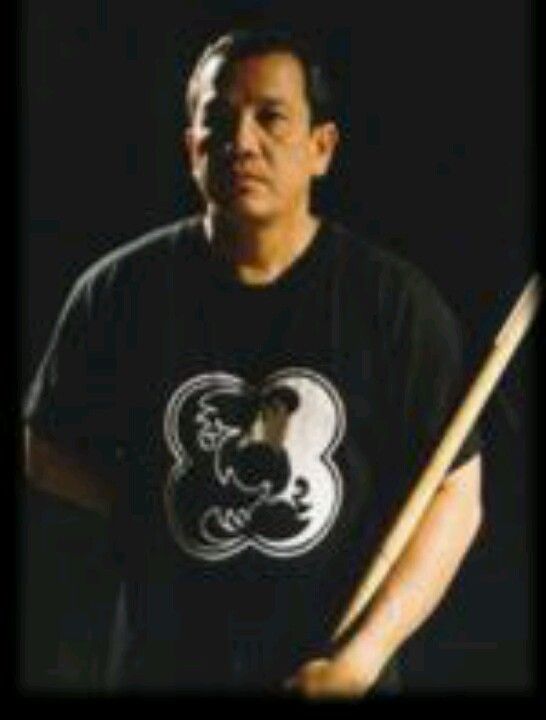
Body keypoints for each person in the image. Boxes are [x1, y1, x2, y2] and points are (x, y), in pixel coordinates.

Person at [23, 28, 483, 696]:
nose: (242, 141)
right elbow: (44, 451)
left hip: (330, 674)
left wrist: (361, 660)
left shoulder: (394, 305)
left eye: (271, 117)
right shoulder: (118, 293)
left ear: (321, 148)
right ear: (192, 148)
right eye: (218, 120)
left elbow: (456, 497)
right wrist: (150, 509)